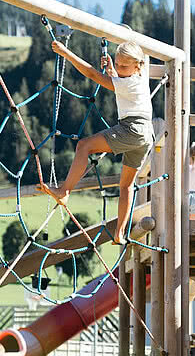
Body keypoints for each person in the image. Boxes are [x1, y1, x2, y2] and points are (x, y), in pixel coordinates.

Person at [41, 39, 152, 245]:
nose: (119, 68)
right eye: (117, 63)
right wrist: (113, 70)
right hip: (146, 136)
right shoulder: (140, 76)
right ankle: (119, 233)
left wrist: (66, 53)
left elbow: (92, 74)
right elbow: (122, 77)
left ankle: (64, 190)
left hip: (132, 128)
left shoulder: (127, 82)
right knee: (126, 185)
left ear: (137, 64)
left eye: (123, 66)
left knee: (84, 146)